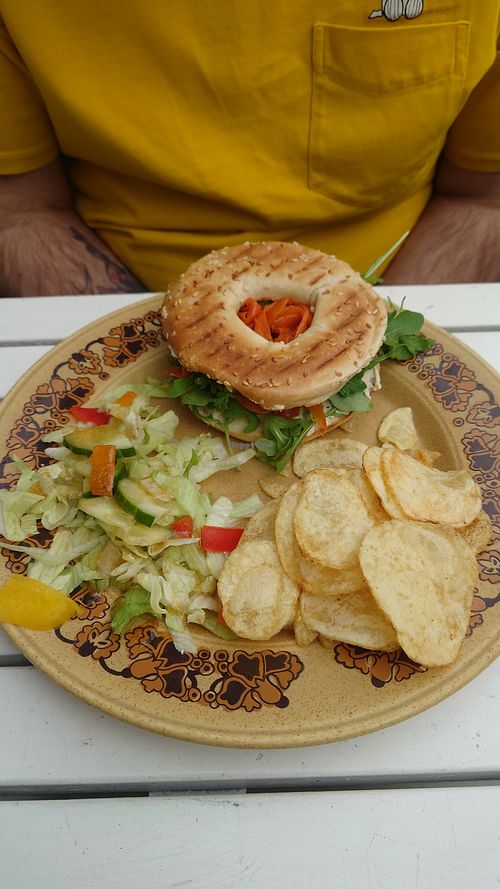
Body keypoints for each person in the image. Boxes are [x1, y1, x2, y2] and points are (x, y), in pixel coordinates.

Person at [0, 1, 499, 298]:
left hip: (402, 276)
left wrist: (384, 337)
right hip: (124, 279)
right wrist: (134, 349)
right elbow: (19, 212)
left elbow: (483, 202)